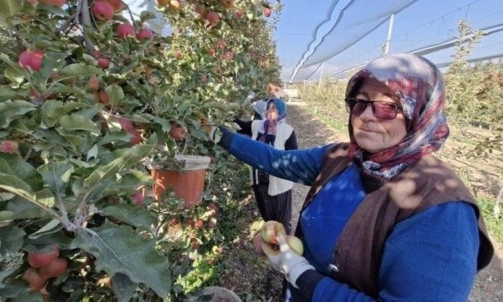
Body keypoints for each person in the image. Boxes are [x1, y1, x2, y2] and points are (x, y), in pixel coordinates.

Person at [207, 53, 494, 301]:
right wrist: (216, 133)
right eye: (360, 102)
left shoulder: (441, 211)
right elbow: (277, 160)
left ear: (419, 114)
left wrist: (300, 273)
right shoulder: (343, 158)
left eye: (388, 106)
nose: (367, 115)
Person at [234, 98, 298, 234]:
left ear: (280, 111)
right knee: (268, 218)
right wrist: (226, 118)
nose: (270, 110)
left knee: (282, 221)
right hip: (259, 181)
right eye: (268, 107)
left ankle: (286, 248)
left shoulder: (287, 131)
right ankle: (273, 245)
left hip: (279, 183)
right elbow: (241, 126)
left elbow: (294, 158)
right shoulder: (258, 125)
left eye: (274, 108)